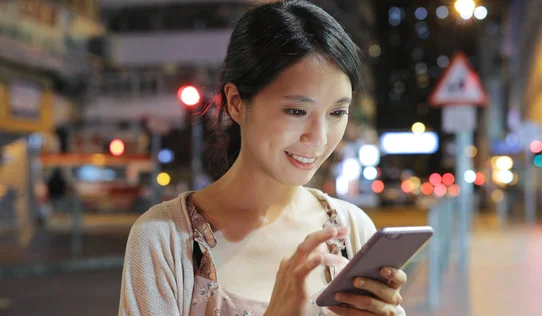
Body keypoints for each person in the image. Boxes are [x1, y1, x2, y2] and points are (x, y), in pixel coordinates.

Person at [119, 1, 407, 315]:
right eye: (297, 111)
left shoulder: (351, 230)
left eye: (337, 112)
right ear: (236, 103)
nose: (320, 137)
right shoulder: (165, 239)